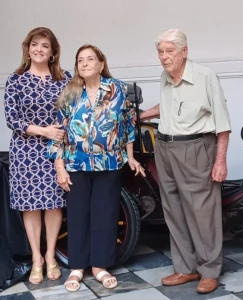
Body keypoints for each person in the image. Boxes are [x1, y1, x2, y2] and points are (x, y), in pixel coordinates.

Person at [139, 29, 231, 294]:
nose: (164, 57)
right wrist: (140, 115)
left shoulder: (205, 76)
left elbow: (222, 124)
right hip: (165, 147)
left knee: (202, 211)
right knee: (173, 209)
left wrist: (220, 162)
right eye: (160, 52)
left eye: (170, 51)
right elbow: (167, 107)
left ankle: (209, 270)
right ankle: (186, 267)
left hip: (196, 148)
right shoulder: (165, 77)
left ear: (184, 51)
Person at [48, 44, 145, 292]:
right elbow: (58, 132)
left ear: (101, 64)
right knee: (79, 214)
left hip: (109, 162)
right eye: (80, 60)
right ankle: (77, 267)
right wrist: (59, 166)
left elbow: (127, 126)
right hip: (76, 162)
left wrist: (131, 157)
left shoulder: (118, 89)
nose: (85, 63)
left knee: (105, 213)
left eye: (90, 59)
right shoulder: (69, 93)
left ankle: (100, 266)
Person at [3, 27, 72, 284]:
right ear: (28, 48)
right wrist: (44, 131)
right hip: (25, 150)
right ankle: (36, 259)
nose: (39, 49)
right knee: (31, 205)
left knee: (54, 203)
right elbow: (12, 119)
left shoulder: (65, 78)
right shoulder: (16, 79)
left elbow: (71, 113)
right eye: (35, 44)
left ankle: (51, 255)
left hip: (56, 151)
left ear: (52, 52)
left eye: (45, 45)